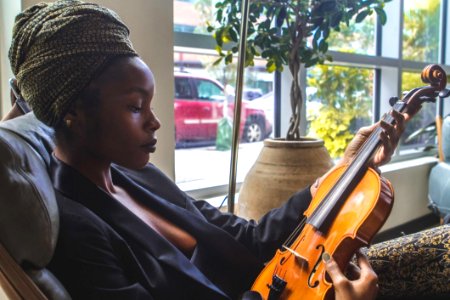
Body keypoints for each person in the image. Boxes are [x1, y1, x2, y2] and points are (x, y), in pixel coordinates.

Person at [4, 1, 432, 299]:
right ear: (73, 111)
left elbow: (246, 237)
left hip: (280, 282)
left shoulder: (136, 176)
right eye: (135, 107)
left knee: (435, 254)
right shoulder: (80, 234)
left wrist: (341, 172)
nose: (154, 122)